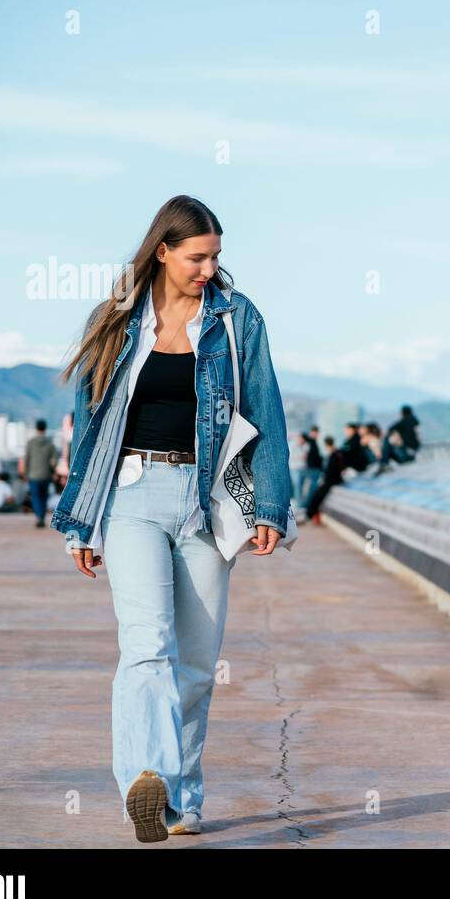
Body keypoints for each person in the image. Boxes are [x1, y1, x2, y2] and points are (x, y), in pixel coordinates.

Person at [48, 195, 292, 843]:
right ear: (163, 251)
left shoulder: (239, 321)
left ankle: (180, 803)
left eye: (215, 257)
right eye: (196, 257)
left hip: (207, 498)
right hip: (130, 493)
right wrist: (81, 519)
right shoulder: (119, 318)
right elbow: (89, 424)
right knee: (145, 645)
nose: (209, 268)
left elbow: (266, 410)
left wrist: (271, 505)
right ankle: (144, 780)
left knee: (196, 663)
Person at [305, 421, 369, 523]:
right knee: (318, 491)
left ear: (352, 430)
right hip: (339, 474)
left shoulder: (354, 442)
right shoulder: (350, 442)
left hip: (348, 473)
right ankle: (310, 513)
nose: (345, 432)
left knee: (319, 491)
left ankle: (309, 513)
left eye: (346, 429)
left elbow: (351, 458)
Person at [19, 418, 59, 529]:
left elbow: (26, 459)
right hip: (46, 474)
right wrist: (52, 469)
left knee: (36, 497)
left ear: (36, 428)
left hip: (33, 475)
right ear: (45, 429)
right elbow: (55, 459)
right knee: (44, 497)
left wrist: (25, 473)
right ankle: (41, 517)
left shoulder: (31, 443)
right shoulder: (50, 443)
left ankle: (39, 517)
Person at [376, 405, 420, 474]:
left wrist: (394, 436)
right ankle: (384, 464)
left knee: (387, 441)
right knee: (388, 443)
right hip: (413, 452)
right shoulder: (416, 422)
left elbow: (390, 429)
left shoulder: (403, 422)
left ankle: (384, 465)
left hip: (406, 454)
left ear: (402, 413)